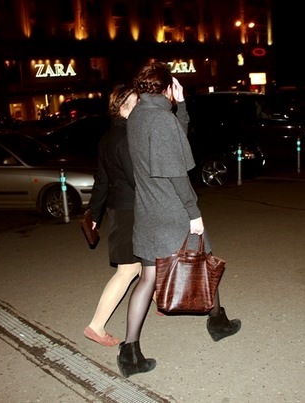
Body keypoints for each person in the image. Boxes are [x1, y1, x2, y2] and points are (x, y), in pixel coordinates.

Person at [117, 61, 241, 378]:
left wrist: (181, 106)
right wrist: (193, 213)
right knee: (203, 260)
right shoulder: (161, 119)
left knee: (147, 278)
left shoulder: (138, 116)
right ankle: (218, 323)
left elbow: (175, 141)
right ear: (166, 87)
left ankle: (129, 352)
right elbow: (176, 172)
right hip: (171, 211)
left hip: (147, 211)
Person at [83, 84, 140, 347]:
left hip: (118, 209)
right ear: (124, 107)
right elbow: (137, 179)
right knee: (127, 270)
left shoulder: (107, 138)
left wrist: (94, 213)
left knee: (144, 262)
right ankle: (96, 326)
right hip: (131, 210)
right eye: (137, 103)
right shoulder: (126, 137)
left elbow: (102, 180)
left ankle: (158, 299)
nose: (141, 107)